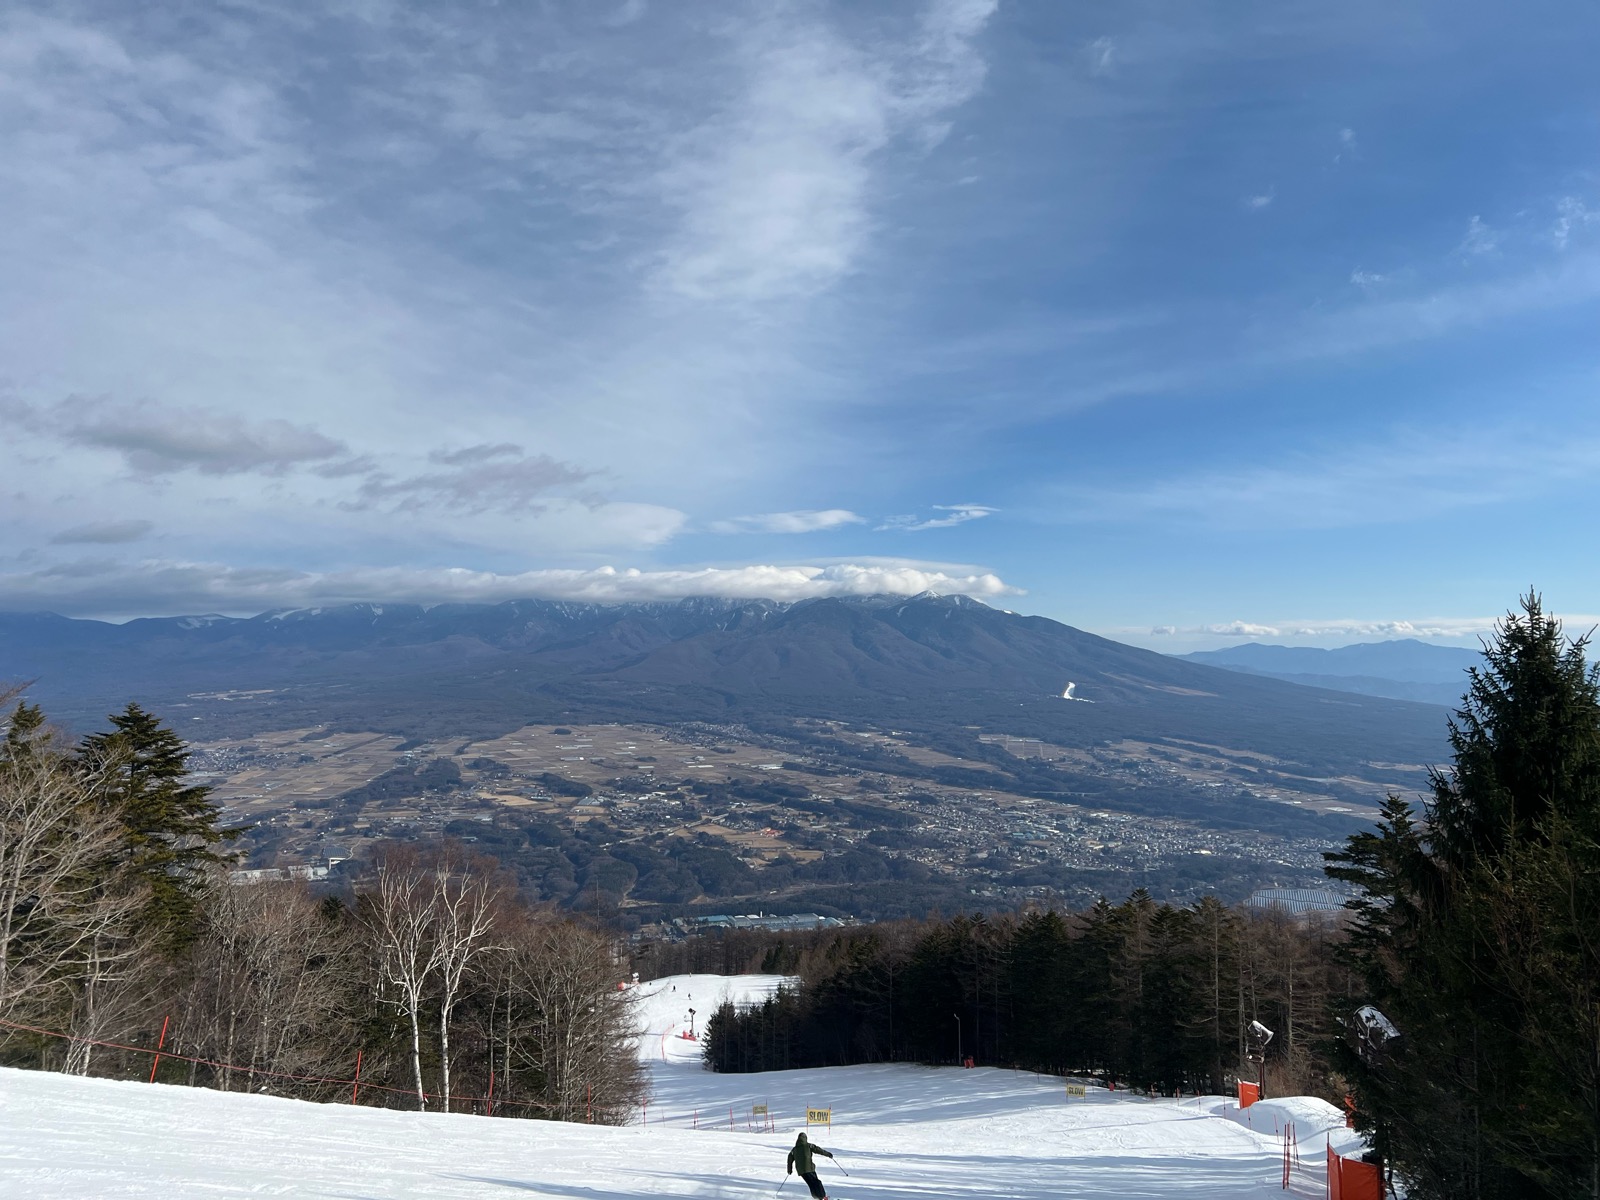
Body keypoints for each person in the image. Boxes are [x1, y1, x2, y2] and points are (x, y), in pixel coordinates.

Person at [786, 1131, 835, 1200]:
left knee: (811, 1184)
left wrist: (789, 1170)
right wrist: (828, 1154)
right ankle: (823, 1197)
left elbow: (789, 1158)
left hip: (801, 1171)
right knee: (817, 1182)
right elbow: (818, 1150)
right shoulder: (808, 1146)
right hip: (809, 1169)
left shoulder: (794, 1149)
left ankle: (816, 1197)